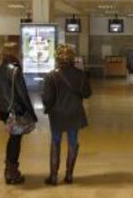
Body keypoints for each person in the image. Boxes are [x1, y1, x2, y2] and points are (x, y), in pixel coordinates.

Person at [42, 44, 92, 185]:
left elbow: (47, 98)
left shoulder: (51, 76)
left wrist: (49, 107)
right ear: (72, 58)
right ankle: (69, 175)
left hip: (57, 114)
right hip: (74, 113)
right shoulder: (81, 74)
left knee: (55, 142)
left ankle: (53, 176)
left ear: (57, 58)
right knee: (72, 143)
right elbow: (87, 94)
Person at [0, 42, 38, 185]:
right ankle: (11, 172)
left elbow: (1, 93)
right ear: (14, 52)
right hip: (16, 110)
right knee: (15, 141)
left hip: (5, 110)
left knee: (12, 139)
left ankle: (9, 169)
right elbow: (22, 94)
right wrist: (31, 113)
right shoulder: (15, 70)